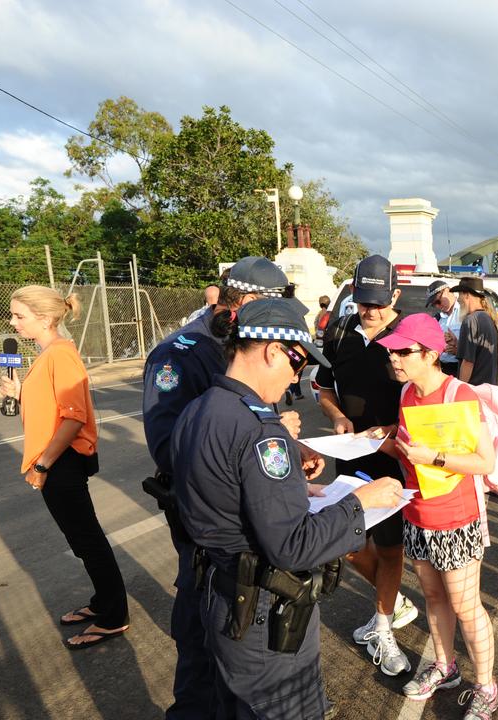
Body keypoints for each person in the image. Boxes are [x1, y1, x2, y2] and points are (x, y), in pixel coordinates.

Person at [173, 297, 404, 719]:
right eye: (297, 366)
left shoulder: (199, 409)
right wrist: (357, 503)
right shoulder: (262, 432)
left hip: (216, 593)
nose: (296, 379)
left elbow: (222, 489)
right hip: (263, 613)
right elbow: (292, 546)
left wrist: (295, 489)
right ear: (273, 351)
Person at [142, 256, 322, 717]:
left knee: (230, 649)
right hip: (208, 527)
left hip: (245, 522)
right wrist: (263, 435)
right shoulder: (180, 353)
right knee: (202, 646)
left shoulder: (242, 345)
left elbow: (251, 424)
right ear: (243, 302)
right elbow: (172, 449)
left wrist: (283, 444)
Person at [375, 313, 498, 719]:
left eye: (403, 352)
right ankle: (445, 667)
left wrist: (437, 457)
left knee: (466, 607)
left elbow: (486, 461)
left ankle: (485, 686)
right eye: (392, 351)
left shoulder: (460, 396)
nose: (394, 359)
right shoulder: (408, 394)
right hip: (417, 512)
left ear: (431, 355)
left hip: (457, 518)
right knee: (433, 597)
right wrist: (381, 441)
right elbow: (408, 452)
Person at [0, 285, 128, 650]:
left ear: (45, 318)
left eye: (20, 316)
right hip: (57, 459)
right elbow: (53, 406)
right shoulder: (49, 354)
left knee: (88, 540)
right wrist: (21, 393)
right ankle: (104, 603)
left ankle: (114, 617)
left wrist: (42, 463)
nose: (13, 322)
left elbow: (73, 419)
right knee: (80, 540)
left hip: (61, 460)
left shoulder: (60, 354)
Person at [316, 254, 419, 676]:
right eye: (363, 300)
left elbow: (427, 398)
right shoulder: (339, 333)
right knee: (348, 543)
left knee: (390, 545)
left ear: (395, 295)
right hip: (349, 454)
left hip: (393, 458)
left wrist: (391, 428)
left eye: (378, 301)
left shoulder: (408, 336)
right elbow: (323, 389)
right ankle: (393, 601)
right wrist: (336, 416)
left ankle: (382, 625)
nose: (370, 310)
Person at [449, 276, 498, 386]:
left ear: (467, 295)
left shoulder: (470, 321)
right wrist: (458, 345)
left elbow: (468, 362)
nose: (458, 299)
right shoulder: (488, 318)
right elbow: (480, 355)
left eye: (459, 295)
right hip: (488, 390)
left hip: (474, 391)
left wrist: (460, 390)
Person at [427, 280, 462, 379]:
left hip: (460, 368)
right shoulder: (437, 318)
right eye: (434, 304)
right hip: (440, 368)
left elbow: (475, 348)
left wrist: (458, 351)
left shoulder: (465, 312)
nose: (438, 306)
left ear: (447, 291)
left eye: (438, 301)